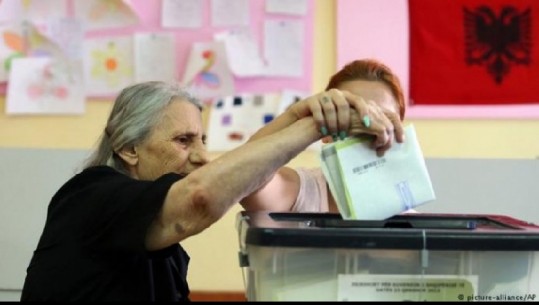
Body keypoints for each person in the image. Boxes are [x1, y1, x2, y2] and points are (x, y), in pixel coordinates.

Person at [20, 63, 404, 301]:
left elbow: (238, 174)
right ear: (128, 149)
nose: (203, 156)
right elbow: (203, 195)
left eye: (203, 139)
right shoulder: (91, 195)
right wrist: (315, 125)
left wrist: (294, 114)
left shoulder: (164, 246)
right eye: (184, 141)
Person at [240, 58, 406, 214]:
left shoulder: (414, 219)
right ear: (326, 133)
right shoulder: (304, 192)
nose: (368, 130)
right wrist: (296, 116)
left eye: (382, 118)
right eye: (351, 115)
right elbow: (242, 179)